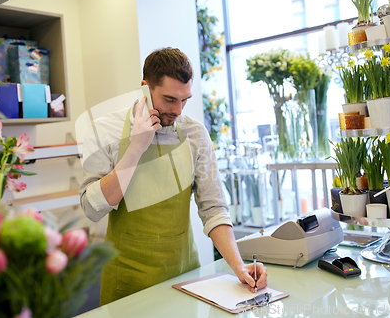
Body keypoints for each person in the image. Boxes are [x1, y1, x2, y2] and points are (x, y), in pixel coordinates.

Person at [79, 47, 267, 305]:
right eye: (169, 99)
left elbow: (213, 209)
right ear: (145, 88)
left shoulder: (196, 135)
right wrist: (136, 147)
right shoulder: (105, 130)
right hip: (126, 286)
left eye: (185, 100)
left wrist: (239, 266)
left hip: (185, 279)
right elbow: (92, 208)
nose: (178, 110)